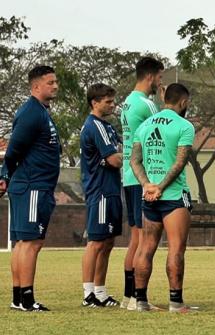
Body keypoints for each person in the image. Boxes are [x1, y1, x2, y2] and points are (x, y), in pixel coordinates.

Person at [130, 83, 196, 313]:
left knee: (145, 248)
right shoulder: (184, 126)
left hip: (149, 197)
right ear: (183, 102)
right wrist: (161, 187)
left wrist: (147, 185)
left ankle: (140, 301)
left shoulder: (144, 126)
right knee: (176, 249)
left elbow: (134, 161)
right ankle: (176, 302)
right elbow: (180, 162)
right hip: (174, 196)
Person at [2, 65, 61, 312]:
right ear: (36, 86)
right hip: (32, 186)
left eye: (56, 82)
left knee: (23, 242)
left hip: (33, 186)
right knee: (30, 242)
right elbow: (14, 149)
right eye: (50, 82)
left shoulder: (40, 111)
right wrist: (5, 174)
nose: (55, 86)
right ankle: (26, 299)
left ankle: (18, 298)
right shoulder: (31, 112)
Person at [119, 56, 164, 310]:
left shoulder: (127, 101)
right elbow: (164, 127)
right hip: (141, 178)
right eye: (159, 77)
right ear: (150, 76)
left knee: (135, 238)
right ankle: (137, 297)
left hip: (128, 175)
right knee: (143, 239)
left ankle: (129, 296)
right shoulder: (147, 104)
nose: (160, 82)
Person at [80, 83, 122, 308]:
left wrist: (118, 156)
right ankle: (88, 294)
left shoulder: (108, 126)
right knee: (95, 242)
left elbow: (119, 154)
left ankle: (101, 292)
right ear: (94, 103)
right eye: (108, 102)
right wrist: (117, 157)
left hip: (112, 189)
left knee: (108, 242)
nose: (112, 105)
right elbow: (115, 159)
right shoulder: (94, 126)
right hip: (100, 190)